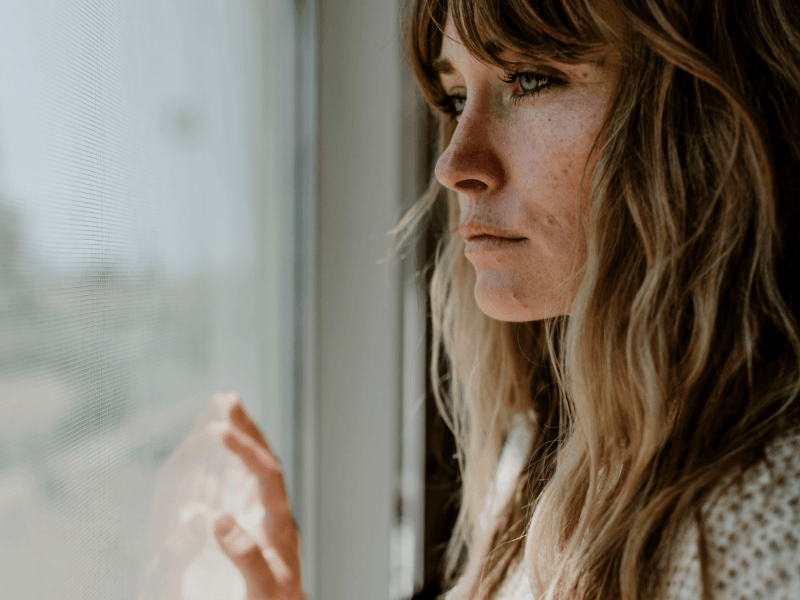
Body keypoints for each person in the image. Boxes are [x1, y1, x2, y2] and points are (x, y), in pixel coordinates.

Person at [210, 0, 800, 598]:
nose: (454, 165)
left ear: (708, 114)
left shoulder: (763, 526)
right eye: (457, 98)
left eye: (533, 79)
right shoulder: (555, 445)